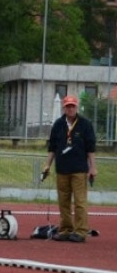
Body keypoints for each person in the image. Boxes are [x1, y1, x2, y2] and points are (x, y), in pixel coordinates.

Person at [42, 95, 97, 243]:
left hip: (79, 169)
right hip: (62, 169)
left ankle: (80, 231)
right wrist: (47, 165)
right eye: (68, 106)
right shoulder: (58, 124)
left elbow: (91, 148)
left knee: (80, 202)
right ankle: (65, 229)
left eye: (72, 106)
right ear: (64, 108)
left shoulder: (85, 124)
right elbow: (52, 147)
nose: (70, 109)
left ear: (76, 107)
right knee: (63, 202)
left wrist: (93, 167)